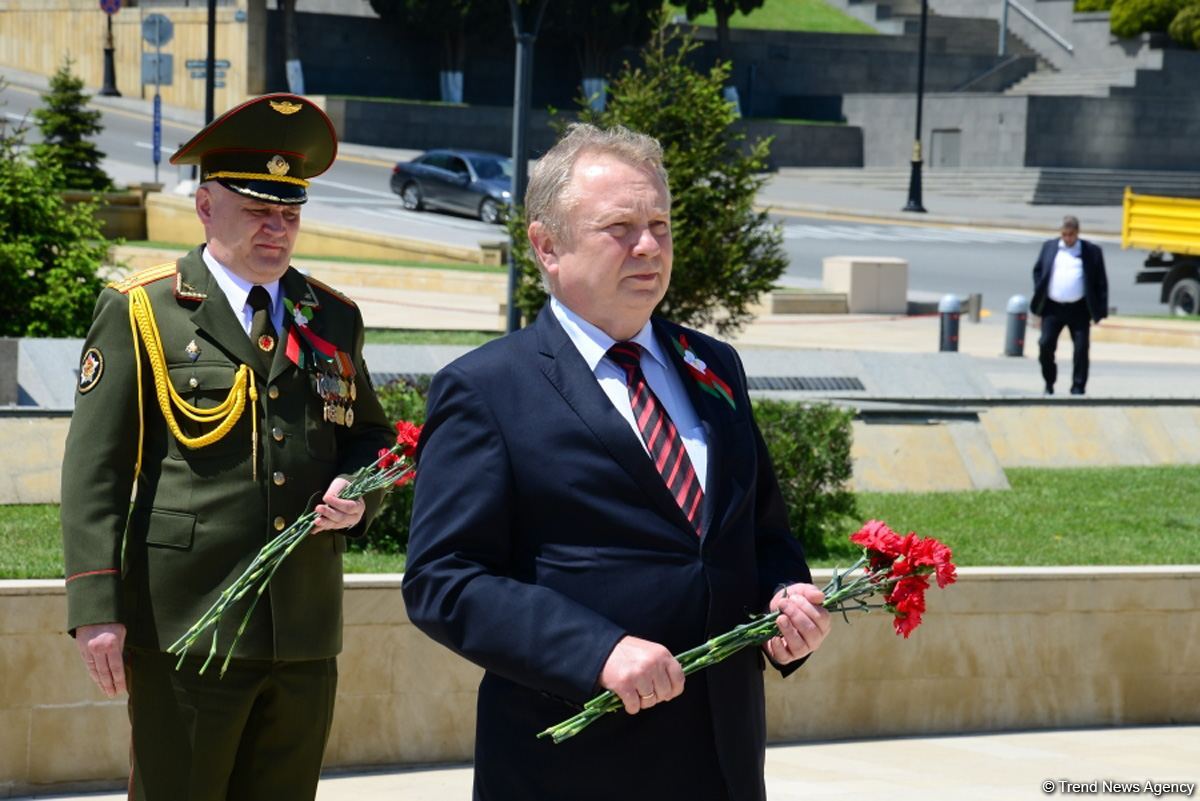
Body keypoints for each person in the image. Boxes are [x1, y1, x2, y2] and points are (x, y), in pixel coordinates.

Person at [402, 123, 831, 801]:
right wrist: (595, 650)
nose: (650, 246)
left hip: (721, 762)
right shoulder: (488, 389)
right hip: (575, 767)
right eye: (620, 226)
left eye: (660, 222)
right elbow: (443, 580)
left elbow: (762, 534)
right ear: (547, 245)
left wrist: (786, 602)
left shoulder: (713, 368)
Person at [60, 93, 394, 801]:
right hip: (189, 626)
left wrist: (359, 490)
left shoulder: (331, 315)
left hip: (303, 628)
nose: (278, 229)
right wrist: (96, 608)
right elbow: (96, 467)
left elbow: (372, 436)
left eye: (291, 213)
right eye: (257, 210)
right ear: (206, 206)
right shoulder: (143, 309)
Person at [1031, 215, 1109, 395]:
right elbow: (1038, 271)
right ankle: (1049, 381)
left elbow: (1100, 282)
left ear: (1077, 233)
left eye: (1071, 235)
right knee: (1045, 344)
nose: (1067, 239)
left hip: (1079, 308)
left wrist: (1100, 311)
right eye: (1064, 235)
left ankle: (1078, 387)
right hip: (1053, 307)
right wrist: (1041, 292)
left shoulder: (1091, 251)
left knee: (1081, 349)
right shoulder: (1050, 247)